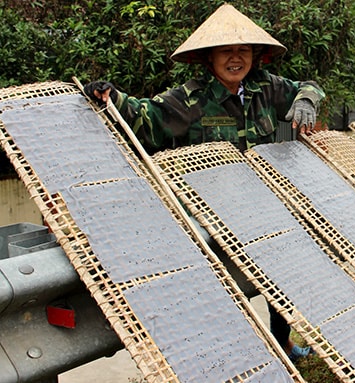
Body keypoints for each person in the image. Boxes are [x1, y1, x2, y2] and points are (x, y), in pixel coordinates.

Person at [84, 4, 324, 362]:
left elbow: (309, 87)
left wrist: (306, 100)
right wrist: (111, 97)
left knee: (282, 277)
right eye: (226, 50)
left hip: (260, 204)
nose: (235, 58)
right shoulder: (188, 98)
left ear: (255, 56)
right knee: (216, 294)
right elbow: (146, 118)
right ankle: (228, 358)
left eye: (243, 50)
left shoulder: (265, 87)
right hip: (211, 213)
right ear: (208, 58)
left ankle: (282, 345)